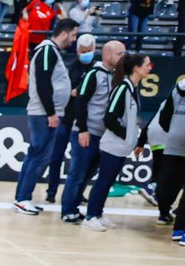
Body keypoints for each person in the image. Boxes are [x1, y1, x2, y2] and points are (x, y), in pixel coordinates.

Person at [13, 18, 79, 215]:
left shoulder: (50, 51)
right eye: (74, 35)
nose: (74, 39)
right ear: (65, 33)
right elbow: (43, 83)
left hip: (45, 112)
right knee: (39, 157)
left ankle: (21, 198)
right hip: (43, 113)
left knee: (35, 155)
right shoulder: (48, 50)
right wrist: (51, 112)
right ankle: (23, 198)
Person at [84, 53, 153, 232]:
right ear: (136, 68)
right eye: (147, 64)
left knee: (108, 182)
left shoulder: (132, 88)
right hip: (113, 145)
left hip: (121, 146)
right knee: (103, 181)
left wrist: (131, 139)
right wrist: (125, 135)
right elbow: (109, 118)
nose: (150, 67)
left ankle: (98, 214)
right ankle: (90, 216)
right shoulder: (122, 88)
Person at [61, 39, 124, 223]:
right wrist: (82, 129)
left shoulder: (115, 75)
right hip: (87, 132)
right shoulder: (93, 74)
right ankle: (68, 210)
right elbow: (81, 101)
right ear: (107, 55)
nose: (123, 57)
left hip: (103, 135)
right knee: (77, 173)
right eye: (119, 53)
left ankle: (75, 207)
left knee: (87, 175)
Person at [152, 51, 185, 228]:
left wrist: (172, 130)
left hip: (174, 138)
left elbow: (164, 116)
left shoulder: (177, 86)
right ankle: (183, 219)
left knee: (168, 180)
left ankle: (163, 213)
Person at [44, 33, 93, 205]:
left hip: (84, 122)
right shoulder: (69, 67)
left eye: (90, 50)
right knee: (56, 157)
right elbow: (68, 91)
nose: (87, 53)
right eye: (83, 50)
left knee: (81, 161)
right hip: (66, 118)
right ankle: (51, 191)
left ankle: (78, 193)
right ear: (78, 51)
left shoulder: (96, 69)